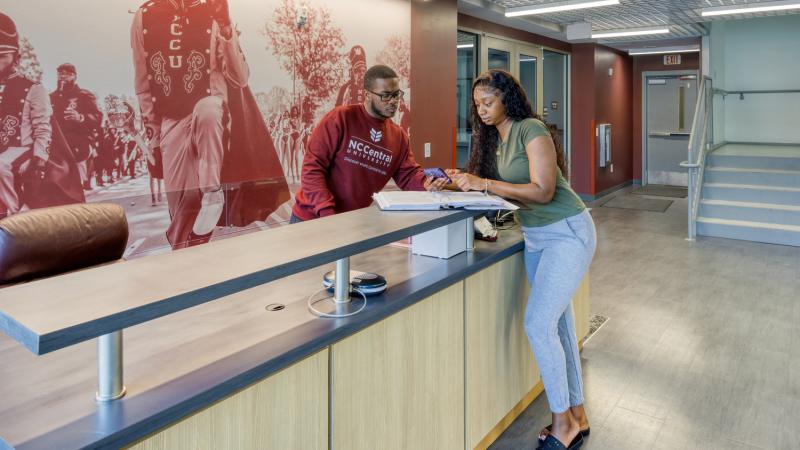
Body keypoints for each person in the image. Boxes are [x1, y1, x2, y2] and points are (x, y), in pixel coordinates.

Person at [449, 69, 596, 450]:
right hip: (536, 238)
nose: (480, 110)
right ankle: (577, 415)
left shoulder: (531, 129)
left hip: (568, 231)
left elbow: (544, 191)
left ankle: (563, 424)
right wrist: (453, 182)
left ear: (506, 100)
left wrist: (483, 183)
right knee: (559, 326)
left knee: (537, 323)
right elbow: (505, 194)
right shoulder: (494, 141)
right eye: (477, 104)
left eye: (488, 102)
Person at [131, 0, 288, 249]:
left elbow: (240, 77)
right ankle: (188, 266)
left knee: (208, 110)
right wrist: (153, 138)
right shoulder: (145, 15)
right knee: (182, 215)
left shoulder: (214, 11)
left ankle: (213, 194)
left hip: (212, 115)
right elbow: (143, 84)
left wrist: (226, 28)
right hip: (171, 120)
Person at [291, 65, 445, 222]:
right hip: (312, 218)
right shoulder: (340, 119)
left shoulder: (399, 137)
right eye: (385, 95)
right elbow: (312, 169)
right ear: (367, 95)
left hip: (351, 222)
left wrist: (428, 182)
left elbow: (409, 175)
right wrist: (326, 213)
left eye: (396, 94)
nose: (393, 101)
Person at [0, 13, 83, 218]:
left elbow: (43, 128)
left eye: (2, 56)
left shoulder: (34, 89)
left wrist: (39, 160)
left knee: (0, 166)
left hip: (23, 148)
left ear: (16, 58)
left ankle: (17, 214)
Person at [49, 63, 102, 190]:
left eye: (67, 74)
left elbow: (98, 117)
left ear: (75, 77)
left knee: (75, 184)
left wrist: (81, 117)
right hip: (56, 144)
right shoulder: (50, 97)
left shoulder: (84, 95)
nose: (63, 76)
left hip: (78, 142)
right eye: (60, 73)